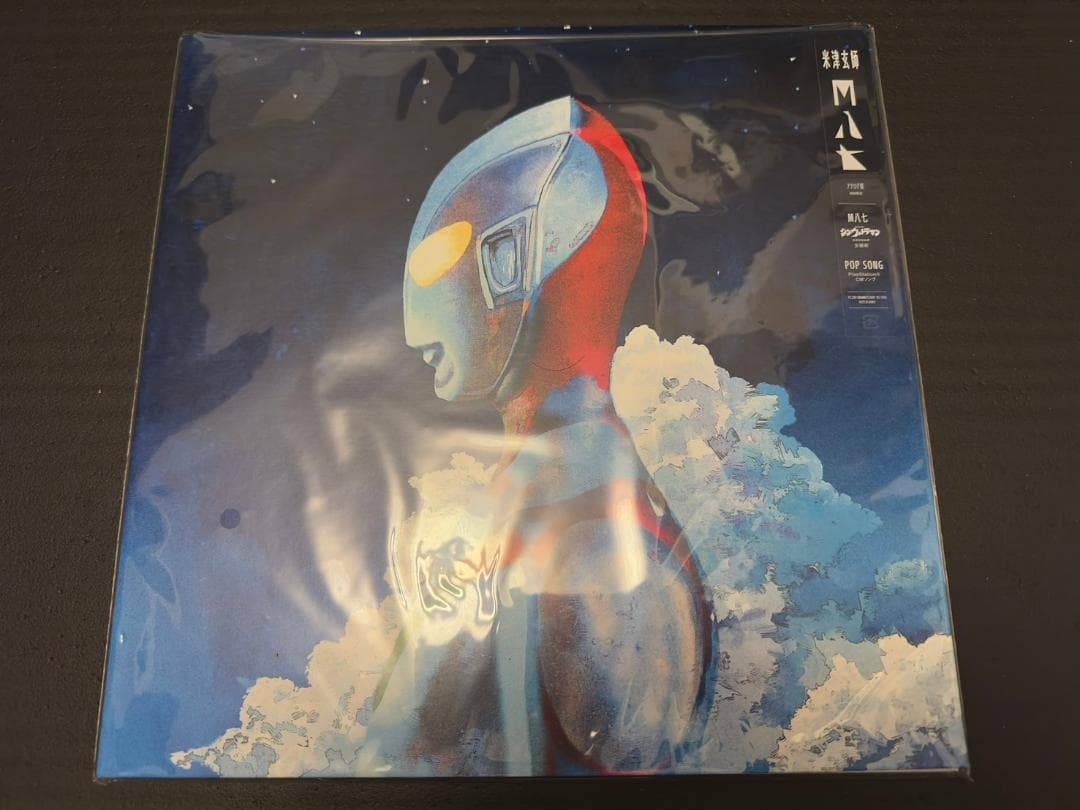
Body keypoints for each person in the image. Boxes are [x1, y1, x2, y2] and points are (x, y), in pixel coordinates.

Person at [368, 96, 711, 775]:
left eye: (440, 255)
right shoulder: (547, 505)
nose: (416, 312)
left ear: (511, 260)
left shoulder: (597, 542)